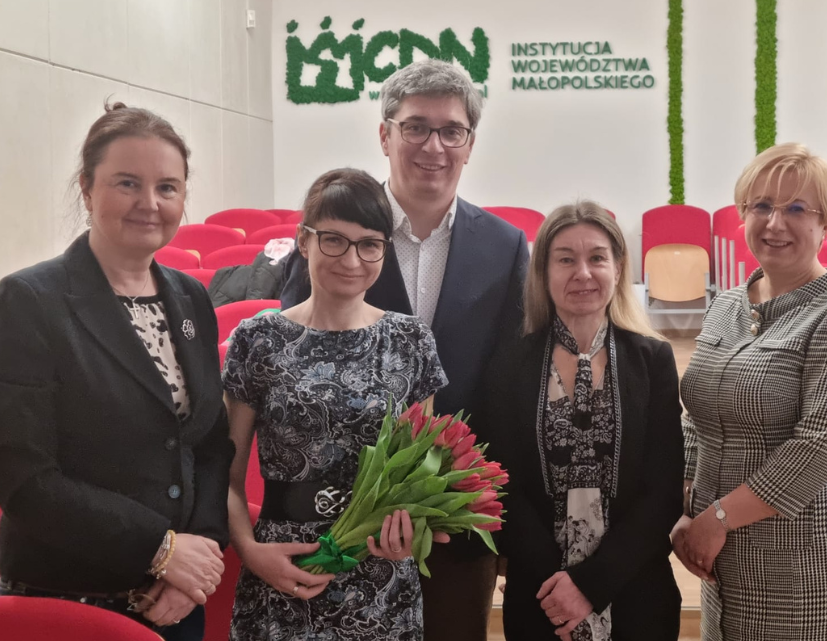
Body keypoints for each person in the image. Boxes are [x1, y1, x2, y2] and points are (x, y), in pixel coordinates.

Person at [279, 59, 529, 640]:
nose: (433, 145)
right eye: (416, 126)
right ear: (385, 134)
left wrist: (501, 522)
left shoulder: (505, 246)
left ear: (469, 144)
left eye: (451, 130)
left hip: (455, 526)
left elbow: (511, 391)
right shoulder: (333, 230)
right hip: (337, 515)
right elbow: (293, 360)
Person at [0, 103, 234, 641]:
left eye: (168, 187)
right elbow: (25, 479)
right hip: (70, 599)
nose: (150, 204)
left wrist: (198, 551)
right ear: (86, 188)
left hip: (175, 601)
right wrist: (161, 549)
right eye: (127, 183)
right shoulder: (30, 300)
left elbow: (212, 443)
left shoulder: (190, 296)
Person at [224, 168, 451, 641]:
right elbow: (222, 472)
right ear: (303, 241)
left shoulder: (411, 340)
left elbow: (420, 472)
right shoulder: (258, 339)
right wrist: (249, 550)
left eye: (369, 244)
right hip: (283, 568)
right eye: (333, 240)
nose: (352, 259)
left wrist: (409, 531)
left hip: (380, 579)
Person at [672, 142, 827, 641]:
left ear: (826, 222)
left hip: (805, 559)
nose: (774, 223)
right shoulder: (726, 304)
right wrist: (685, 505)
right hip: (720, 554)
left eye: (795, 209)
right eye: (761, 205)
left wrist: (716, 518)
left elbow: (821, 447)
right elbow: (697, 417)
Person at [476, 201, 684, 641]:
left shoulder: (653, 360)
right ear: (543, 272)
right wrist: (560, 586)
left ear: (618, 267)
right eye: (566, 259)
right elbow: (501, 484)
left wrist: (592, 585)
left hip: (635, 591)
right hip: (541, 595)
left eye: (597, 258)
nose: (583, 273)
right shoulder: (509, 363)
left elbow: (663, 488)